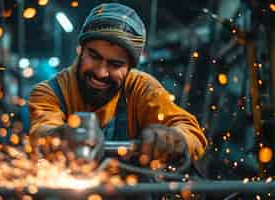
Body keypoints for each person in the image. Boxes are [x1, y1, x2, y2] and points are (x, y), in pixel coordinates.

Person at [28, 3, 207, 167]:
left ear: (130, 68)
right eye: (94, 56)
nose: (101, 72)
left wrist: (175, 139)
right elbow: (41, 131)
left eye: (115, 64)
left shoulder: (141, 87)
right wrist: (60, 136)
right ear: (80, 50)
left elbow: (191, 131)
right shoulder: (49, 92)